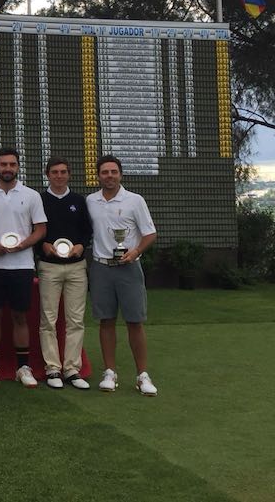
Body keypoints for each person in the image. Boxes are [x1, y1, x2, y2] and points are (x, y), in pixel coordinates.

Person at [86, 154, 158, 396]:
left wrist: (135, 251)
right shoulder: (91, 201)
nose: (109, 176)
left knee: (134, 321)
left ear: (121, 174)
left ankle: (142, 375)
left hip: (129, 267)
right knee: (106, 320)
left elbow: (150, 234)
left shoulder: (135, 200)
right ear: (98, 176)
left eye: (113, 172)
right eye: (105, 172)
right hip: (101, 267)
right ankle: (109, 372)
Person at [0, 148, 47, 388]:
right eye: (4, 164)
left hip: (22, 265)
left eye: (12, 164)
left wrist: (22, 245)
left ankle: (23, 367)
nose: (8, 168)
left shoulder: (31, 196)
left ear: (18, 166)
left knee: (20, 316)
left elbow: (40, 229)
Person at [36, 157, 92, 390]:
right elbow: (34, 230)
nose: (59, 176)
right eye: (54, 172)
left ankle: (72, 369)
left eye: (63, 172)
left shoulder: (78, 200)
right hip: (49, 267)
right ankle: (52, 368)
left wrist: (80, 246)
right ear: (47, 174)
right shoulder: (39, 200)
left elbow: (87, 231)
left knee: (75, 320)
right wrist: (43, 245)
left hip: (76, 266)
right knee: (48, 319)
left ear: (69, 174)